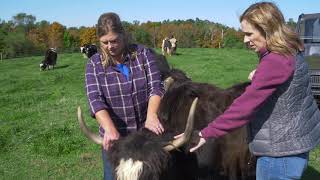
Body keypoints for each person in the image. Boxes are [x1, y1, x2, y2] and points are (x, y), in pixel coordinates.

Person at [186, 2, 320, 179]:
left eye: (249, 34)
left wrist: (205, 133)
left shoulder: (275, 61)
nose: (245, 40)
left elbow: (243, 107)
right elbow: (289, 77)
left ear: (267, 30)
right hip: (295, 143)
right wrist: (261, 74)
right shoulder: (291, 48)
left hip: (279, 154)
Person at [85, 12, 164, 180]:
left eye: (114, 41)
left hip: (145, 138)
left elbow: (156, 87)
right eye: (104, 42)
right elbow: (95, 99)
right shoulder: (94, 64)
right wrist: (109, 129)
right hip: (115, 140)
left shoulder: (143, 54)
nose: (110, 46)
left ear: (123, 35)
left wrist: (151, 116)